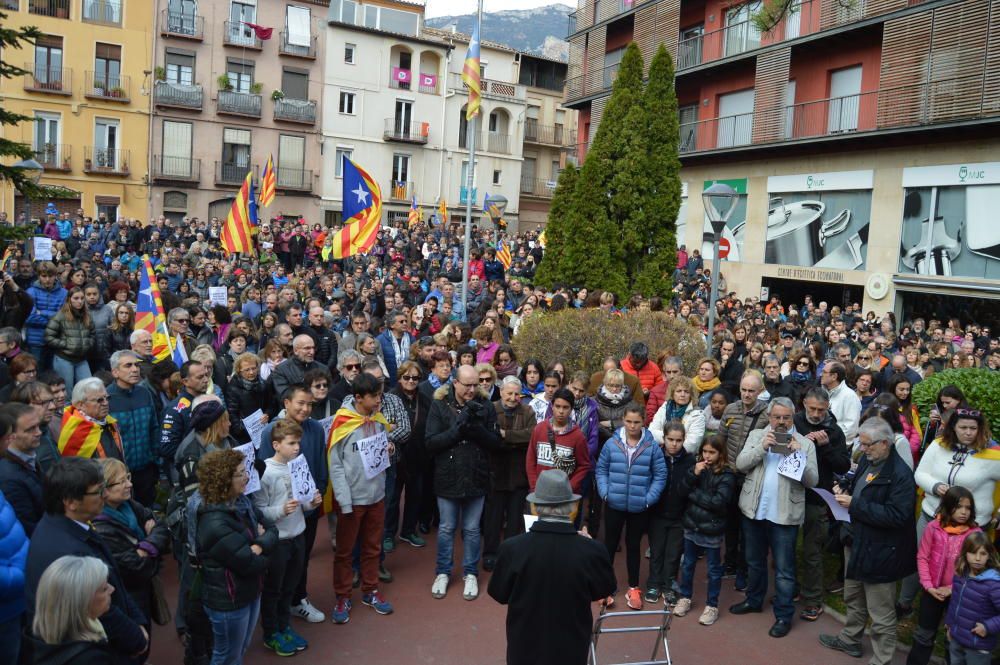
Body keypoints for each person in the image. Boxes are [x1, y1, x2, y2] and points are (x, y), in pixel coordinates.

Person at [487, 469, 616, 665]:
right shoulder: (592, 550)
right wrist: (590, 546)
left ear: (536, 507)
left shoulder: (512, 548)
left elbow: (498, 593)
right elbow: (604, 590)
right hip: (571, 649)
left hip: (524, 647)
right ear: (572, 507)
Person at [26, 458, 149, 663]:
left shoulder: (68, 525)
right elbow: (100, 609)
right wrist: (134, 636)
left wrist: (137, 621)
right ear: (70, 501)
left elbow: (113, 585)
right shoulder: (68, 553)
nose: (105, 495)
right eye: (98, 491)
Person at [820, 418, 917, 664]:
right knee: (853, 596)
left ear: (885, 443)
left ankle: (882, 659)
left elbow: (898, 516)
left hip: (881, 551)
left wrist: (855, 504)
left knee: (881, 611)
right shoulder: (869, 459)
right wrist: (844, 488)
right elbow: (857, 484)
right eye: (861, 444)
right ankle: (850, 639)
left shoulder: (901, 475)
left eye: (867, 445)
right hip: (856, 540)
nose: (862, 450)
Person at [731, 397, 818, 638]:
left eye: (786, 417)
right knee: (754, 561)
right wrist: (762, 448)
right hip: (754, 510)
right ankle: (754, 600)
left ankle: (783, 615)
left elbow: (812, 481)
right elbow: (740, 464)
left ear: (793, 417)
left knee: (784, 569)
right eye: (777, 417)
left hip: (785, 515)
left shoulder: (804, 443)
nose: (781, 422)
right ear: (769, 417)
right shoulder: (758, 436)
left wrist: (797, 456)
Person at [903, 407, 1000, 615]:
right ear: (952, 427)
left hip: (971, 527)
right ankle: (905, 603)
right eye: (962, 427)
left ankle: (954, 616)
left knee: (961, 569)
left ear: (981, 429)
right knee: (920, 559)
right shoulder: (938, 446)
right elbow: (920, 473)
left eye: (973, 428)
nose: (968, 432)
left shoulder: (994, 455)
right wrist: (936, 486)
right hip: (932, 517)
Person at [425, 364, 502, 601]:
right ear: (454, 382)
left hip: (476, 475)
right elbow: (430, 443)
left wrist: (476, 429)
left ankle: (470, 572)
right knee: (447, 528)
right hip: (448, 476)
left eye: (475, 384)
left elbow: (496, 443)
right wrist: (459, 429)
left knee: (471, 529)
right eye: (466, 384)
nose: (471, 389)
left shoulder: (486, 406)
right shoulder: (439, 404)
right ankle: (443, 572)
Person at [195, 448, 278, 665]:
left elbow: (272, 529)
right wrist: (264, 547)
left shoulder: (242, 502)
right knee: (227, 656)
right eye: (240, 473)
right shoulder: (214, 523)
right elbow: (250, 563)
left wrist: (258, 546)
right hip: (228, 601)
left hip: (248, 592)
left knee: (239, 649)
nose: (247, 477)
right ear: (224, 480)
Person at [257, 385, 331, 624]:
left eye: (310, 404)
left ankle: (299, 599)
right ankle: (275, 616)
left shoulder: (317, 428)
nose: (306, 408)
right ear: (286, 403)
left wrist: (315, 496)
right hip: (280, 519)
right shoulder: (271, 431)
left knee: (302, 558)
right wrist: (281, 508)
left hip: (307, 509)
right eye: (300, 403)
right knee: (278, 569)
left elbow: (320, 464)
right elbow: (264, 476)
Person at [328, 373, 395, 622]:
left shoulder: (377, 420)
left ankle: (370, 590)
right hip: (351, 501)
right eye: (374, 396)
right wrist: (344, 501)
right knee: (345, 552)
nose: (379, 400)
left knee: (372, 548)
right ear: (358, 398)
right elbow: (335, 465)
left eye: (379, 395)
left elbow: (382, 448)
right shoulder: (343, 422)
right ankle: (343, 596)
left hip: (376, 496)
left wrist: (389, 447)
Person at [253, 419, 321, 656]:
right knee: (274, 589)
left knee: (290, 586)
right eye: (291, 443)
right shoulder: (266, 473)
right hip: (278, 541)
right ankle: (271, 633)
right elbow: (259, 512)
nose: (297, 448)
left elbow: (304, 502)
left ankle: (285, 627)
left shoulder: (298, 465)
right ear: (276, 444)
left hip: (298, 535)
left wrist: (312, 503)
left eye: (298, 443)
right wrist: (282, 510)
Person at [595, 403, 667, 610]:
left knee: (634, 546)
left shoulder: (651, 446)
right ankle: (606, 587)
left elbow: (660, 475)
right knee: (609, 544)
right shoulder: (612, 443)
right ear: (623, 421)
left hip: (639, 505)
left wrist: (648, 498)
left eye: (636, 422)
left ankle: (634, 587)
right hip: (614, 503)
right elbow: (601, 470)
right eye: (628, 421)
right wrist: (605, 492)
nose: (632, 426)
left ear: (643, 421)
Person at [795, 386, 850, 621]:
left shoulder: (834, 431)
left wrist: (825, 447)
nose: (816, 414)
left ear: (828, 408)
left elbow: (843, 466)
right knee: (786, 548)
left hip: (817, 498)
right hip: (790, 493)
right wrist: (799, 442)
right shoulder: (795, 421)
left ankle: (813, 599)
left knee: (812, 551)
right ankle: (792, 589)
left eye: (821, 410)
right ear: (805, 404)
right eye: (812, 409)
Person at [907, 487, 980, 665]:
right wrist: (929, 586)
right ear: (947, 506)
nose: (964, 512)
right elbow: (923, 557)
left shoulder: (975, 534)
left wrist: (951, 589)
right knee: (924, 635)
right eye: (959, 506)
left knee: (953, 638)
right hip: (932, 591)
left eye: (968, 508)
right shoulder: (933, 527)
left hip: (960, 594)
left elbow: (976, 570)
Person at [91, 458, 169, 624]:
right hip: (129, 598)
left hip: (143, 592)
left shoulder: (130, 505)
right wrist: (152, 544)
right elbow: (136, 567)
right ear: (104, 489)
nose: (129, 485)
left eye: (128, 477)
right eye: (122, 481)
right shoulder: (101, 527)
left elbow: (161, 526)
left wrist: (144, 549)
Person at [672, 435, 735, 626]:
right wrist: (693, 475)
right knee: (688, 564)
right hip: (692, 524)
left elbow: (718, 502)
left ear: (720, 453)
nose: (707, 456)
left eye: (712, 452)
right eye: (704, 452)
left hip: (712, 528)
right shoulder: (697, 468)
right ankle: (685, 597)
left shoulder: (727, 475)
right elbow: (681, 491)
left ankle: (712, 606)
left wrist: (694, 494)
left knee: (714, 570)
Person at [483, 376, 535, 572]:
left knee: (515, 520)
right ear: (501, 392)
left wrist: (507, 436)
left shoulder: (528, 410)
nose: (513, 398)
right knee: (493, 519)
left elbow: (531, 435)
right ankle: (490, 554)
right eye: (509, 393)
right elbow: (490, 436)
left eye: (516, 394)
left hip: (518, 473)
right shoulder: (491, 408)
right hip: (495, 471)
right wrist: (512, 440)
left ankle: (509, 556)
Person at [28, 555, 113, 665]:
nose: (112, 589)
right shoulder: (89, 659)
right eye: (104, 589)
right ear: (82, 602)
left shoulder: (35, 641)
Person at [645, 422, 694, 604]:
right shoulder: (655, 455)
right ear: (663, 438)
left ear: (684, 440)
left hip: (679, 516)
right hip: (657, 514)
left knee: (673, 554)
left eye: (678, 440)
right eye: (670, 439)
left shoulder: (690, 461)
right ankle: (654, 584)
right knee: (656, 551)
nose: (674, 444)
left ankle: (669, 586)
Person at [107, 350, 160, 507]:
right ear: (115, 372)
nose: (135, 369)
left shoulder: (145, 393)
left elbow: (154, 428)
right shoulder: (106, 398)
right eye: (128, 365)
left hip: (146, 470)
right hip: (120, 476)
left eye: (137, 365)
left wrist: (155, 459)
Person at [944, 532, 1000, 665]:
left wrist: (988, 627)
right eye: (973, 553)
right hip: (956, 640)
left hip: (978, 646)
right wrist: (950, 624)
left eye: (983, 554)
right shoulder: (960, 575)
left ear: (989, 555)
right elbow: (955, 603)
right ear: (965, 553)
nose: (978, 558)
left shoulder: (994, 584)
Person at [0, 402, 44, 536]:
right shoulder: (9, 479)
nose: (39, 432)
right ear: (10, 435)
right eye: (30, 429)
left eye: (38, 426)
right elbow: (29, 528)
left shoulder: (28, 457)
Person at [57, 378, 125, 461]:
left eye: (107, 398)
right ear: (80, 405)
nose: (105, 403)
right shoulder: (74, 431)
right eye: (99, 400)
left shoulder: (110, 421)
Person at [44, 286, 95, 390]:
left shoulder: (87, 316)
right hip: (64, 359)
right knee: (67, 392)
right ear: (69, 299)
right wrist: (66, 344)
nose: (79, 301)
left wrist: (88, 343)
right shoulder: (60, 316)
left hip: (81, 359)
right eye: (76, 298)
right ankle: (69, 408)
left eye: (82, 298)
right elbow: (49, 337)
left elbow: (93, 334)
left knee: (89, 388)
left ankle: (81, 407)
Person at [649, 375, 706, 452]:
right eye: (679, 391)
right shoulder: (666, 407)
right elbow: (651, 433)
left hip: (685, 458)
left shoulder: (697, 414)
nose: (682, 395)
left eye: (686, 392)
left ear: (691, 395)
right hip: (661, 454)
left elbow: (691, 444)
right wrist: (676, 439)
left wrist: (667, 440)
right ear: (673, 393)